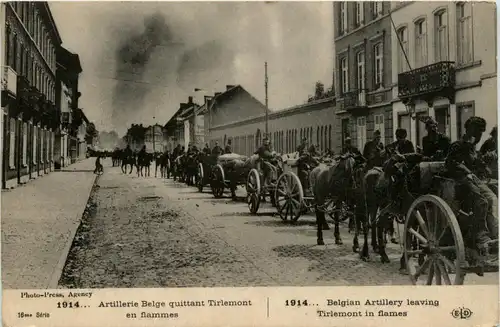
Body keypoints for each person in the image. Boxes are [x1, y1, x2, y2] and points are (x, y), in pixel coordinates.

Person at [445, 117, 498, 254]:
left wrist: (484, 166)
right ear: (468, 130)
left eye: (481, 132)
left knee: (492, 198)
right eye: (477, 131)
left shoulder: (472, 147)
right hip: (458, 182)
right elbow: (450, 163)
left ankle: (495, 233)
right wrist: (466, 171)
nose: (480, 135)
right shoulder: (457, 145)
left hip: (473, 180)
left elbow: (476, 163)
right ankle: (480, 236)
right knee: (481, 201)